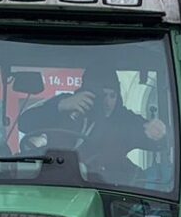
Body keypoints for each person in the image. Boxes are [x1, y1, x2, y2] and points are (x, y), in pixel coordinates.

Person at [17, 66, 167, 183]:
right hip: (56, 182)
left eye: (112, 95)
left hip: (106, 189)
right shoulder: (65, 106)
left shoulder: (123, 118)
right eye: (102, 95)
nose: (108, 102)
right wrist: (60, 105)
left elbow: (158, 142)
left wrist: (159, 133)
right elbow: (24, 123)